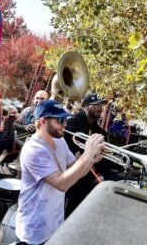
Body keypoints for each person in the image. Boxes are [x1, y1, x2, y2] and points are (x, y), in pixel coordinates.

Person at [15, 99, 104, 245]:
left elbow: (76, 172)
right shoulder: (34, 150)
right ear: (43, 121)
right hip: (34, 229)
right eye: (60, 120)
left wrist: (92, 159)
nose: (65, 124)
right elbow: (61, 183)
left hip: (54, 224)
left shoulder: (59, 140)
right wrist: (87, 155)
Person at [64, 92, 120, 218]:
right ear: (86, 106)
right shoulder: (73, 122)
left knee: (79, 214)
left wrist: (101, 172)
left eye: (102, 105)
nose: (100, 108)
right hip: (71, 175)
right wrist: (74, 154)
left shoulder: (100, 132)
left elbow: (103, 158)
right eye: (96, 105)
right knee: (66, 212)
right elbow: (63, 145)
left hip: (88, 179)